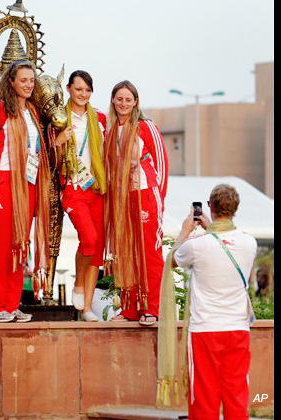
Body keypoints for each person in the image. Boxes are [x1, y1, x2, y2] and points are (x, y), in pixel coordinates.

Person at [0, 59, 52, 322]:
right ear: (11, 82)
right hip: (2, 181)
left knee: (19, 245)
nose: (28, 85)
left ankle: (10, 303)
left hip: (26, 183)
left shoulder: (31, 111)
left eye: (31, 80)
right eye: (23, 80)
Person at [172, 184, 257, 419]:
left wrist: (185, 229)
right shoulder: (250, 243)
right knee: (236, 395)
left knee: (204, 397)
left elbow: (173, 260)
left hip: (205, 330)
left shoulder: (197, 246)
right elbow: (225, 243)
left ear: (210, 207)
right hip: (237, 329)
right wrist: (211, 227)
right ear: (235, 209)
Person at [103, 80, 168, 326]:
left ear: (136, 102)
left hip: (145, 193)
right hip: (121, 198)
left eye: (128, 99)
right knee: (126, 253)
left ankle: (152, 308)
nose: (123, 104)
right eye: (119, 99)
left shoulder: (145, 126)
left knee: (149, 253)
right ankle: (130, 308)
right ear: (113, 100)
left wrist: (159, 198)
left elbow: (161, 162)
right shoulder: (111, 131)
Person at [53, 70, 107, 322]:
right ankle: (78, 286)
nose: (83, 94)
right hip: (74, 188)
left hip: (97, 188)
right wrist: (58, 142)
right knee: (89, 238)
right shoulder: (58, 120)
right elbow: (49, 163)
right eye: (78, 89)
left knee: (96, 248)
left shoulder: (100, 120)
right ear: (68, 89)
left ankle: (86, 307)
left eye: (87, 90)